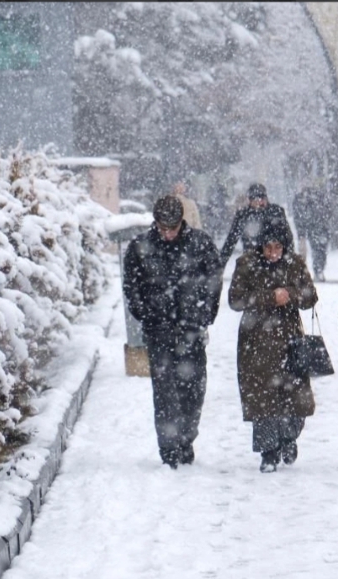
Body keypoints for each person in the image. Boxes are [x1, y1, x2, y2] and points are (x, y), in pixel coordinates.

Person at [122, 195, 223, 469]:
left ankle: (186, 439)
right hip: (159, 331)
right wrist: (145, 312)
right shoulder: (140, 247)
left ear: (181, 222)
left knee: (193, 390)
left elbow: (214, 280)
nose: (167, 234)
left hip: (191, 329)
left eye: (173, 228)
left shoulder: (200, 244)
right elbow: (131, 285)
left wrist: (205, 313)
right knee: (165, 392)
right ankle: (169, 449)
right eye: (163, 228)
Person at [227, 218, 318, 473]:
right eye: (268, 247)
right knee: (262, 399)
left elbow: (311, 296)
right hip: (256, 342)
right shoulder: (247, 264)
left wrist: (290, 294)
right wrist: (269, 297)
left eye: (278, 247)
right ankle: (268, 452)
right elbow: (235, 300)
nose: (273, 252)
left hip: (290, 341)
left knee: (295, 398)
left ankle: (288, 438)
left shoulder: (295, 263)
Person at [218, 183, 295, 269]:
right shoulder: (243, 215)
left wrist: (289, 259)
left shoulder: (276, 212)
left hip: (275, 257)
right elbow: (231, 240)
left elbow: (287, 237)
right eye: (257, 199)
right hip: (252, 260)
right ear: (250, 200)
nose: (260, 202)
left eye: (263, 198)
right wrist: (221, 265)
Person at [291, 184, 331, 282]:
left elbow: (327, 210)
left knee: (319, 249)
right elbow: (297, 216)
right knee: (315, 250)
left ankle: (317, 270)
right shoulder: (301, 198)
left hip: (318, 227)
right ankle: (313, 271)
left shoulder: (318, 196)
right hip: (314, 227)